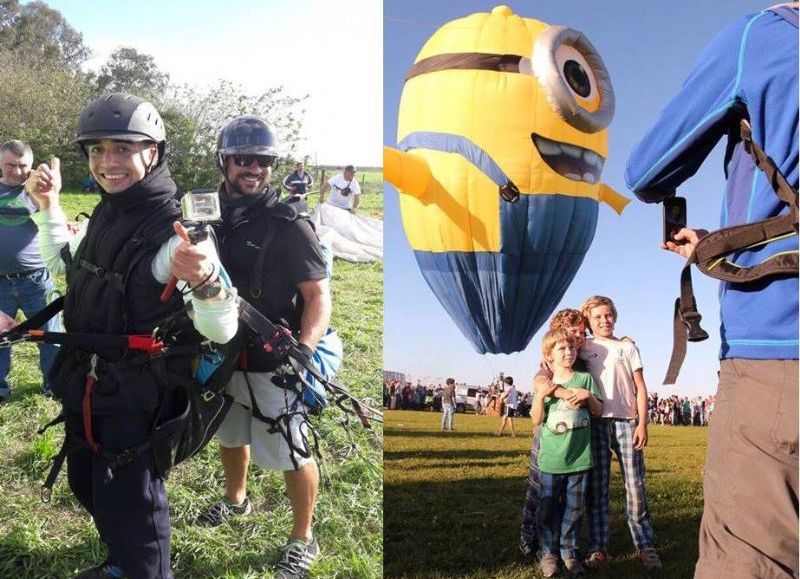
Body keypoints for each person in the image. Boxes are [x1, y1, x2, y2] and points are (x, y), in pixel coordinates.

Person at [26, 92, 239, 579]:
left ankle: (141, 569)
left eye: (123, 148)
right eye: (97, 150)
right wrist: (49, 206)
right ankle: (120, 559)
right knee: (87, 482)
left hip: (136, 400)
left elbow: (221, 329)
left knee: (136, 509)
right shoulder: (108, 211)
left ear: (154, 152)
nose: (108, 162)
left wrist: (204, 280)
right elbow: (72, 263)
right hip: (88, 386)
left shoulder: (177, 232)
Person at [626, 5, 798, 577]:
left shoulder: (763, 36)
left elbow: (646, 170)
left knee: (748, 556)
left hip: (775, 353)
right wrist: (725, 242)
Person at [193, 116, 339, 579]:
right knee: (230, 433)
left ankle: (303, 538)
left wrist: (306, 347)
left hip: (274, 360)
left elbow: (318, 296)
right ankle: (236, 501)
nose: (252, 168)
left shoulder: (290, 225)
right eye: (242, 159)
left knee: (291, 450)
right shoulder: (204, 213)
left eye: (262, 160)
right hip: (220, 352)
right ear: (224, 161)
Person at [578, 296, 661, 571]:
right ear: (588, 321)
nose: (604, 320)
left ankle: (645, 544)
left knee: (635, 485)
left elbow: (641, 387)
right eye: (597, 317)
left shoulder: (627, 347)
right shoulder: (582, 347)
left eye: (608, 315)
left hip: (627, 422)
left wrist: (643, 423)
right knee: (598, 488)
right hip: (597, 423)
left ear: (615, 316)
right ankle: (598, 547)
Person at [532, 328, 602, 578]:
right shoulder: (545, 383)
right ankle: (548, 553)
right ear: (548, 355)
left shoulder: (585, 380)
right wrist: (540, 397)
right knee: (548, 507)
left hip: (579, 459)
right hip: (552, 459)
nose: (568, 352)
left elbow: (598, 411)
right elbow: (536, 419)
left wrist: (588, 397)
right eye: (561, 349)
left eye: (571, 348)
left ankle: (569, 553)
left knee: (574, 509)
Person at [520, 308, 590, 559]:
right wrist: (567, 394)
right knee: (539, 490)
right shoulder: (550, 363)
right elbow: (541, 382)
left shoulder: (580, 362)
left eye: (582, 333)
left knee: (567, 496)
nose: (579, 338)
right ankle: (529, 539)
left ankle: (562, 546)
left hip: (574, 440)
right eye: (574, 332)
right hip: (548, 436)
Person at [0, 139, 60, 401]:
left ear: (31, 166)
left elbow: (28, 206)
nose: (16, 171)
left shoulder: (38, 191)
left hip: (35, 280)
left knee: (50, 337)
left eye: (23, 166)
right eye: (9, 165)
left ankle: (54, 386)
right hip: (0, 283)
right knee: (1, 339)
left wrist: (50, 188)